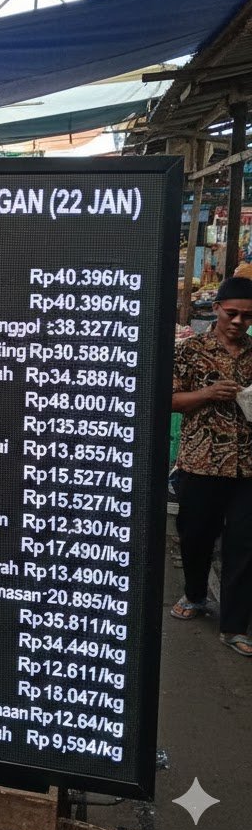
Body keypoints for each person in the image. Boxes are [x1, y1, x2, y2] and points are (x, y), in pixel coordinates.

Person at [171, 276, 252, 656]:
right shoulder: (191, 351)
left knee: (243, 545)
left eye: (247, 317)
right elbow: (169, 400)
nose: (238, 322)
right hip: (202, 462)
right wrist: (206, 393)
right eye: (232, 313)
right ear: (217, 309)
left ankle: (235, 625)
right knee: (196, 536)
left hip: (247, 467)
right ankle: (195, 594)